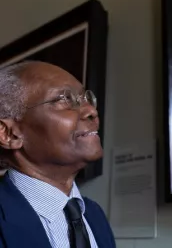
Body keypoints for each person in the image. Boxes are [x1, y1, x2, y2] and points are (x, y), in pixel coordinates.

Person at [0, 61, 116, 248]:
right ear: (9, 134)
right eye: (64, 99)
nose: (91, 111)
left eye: (86, 98)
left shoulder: (94, 215)